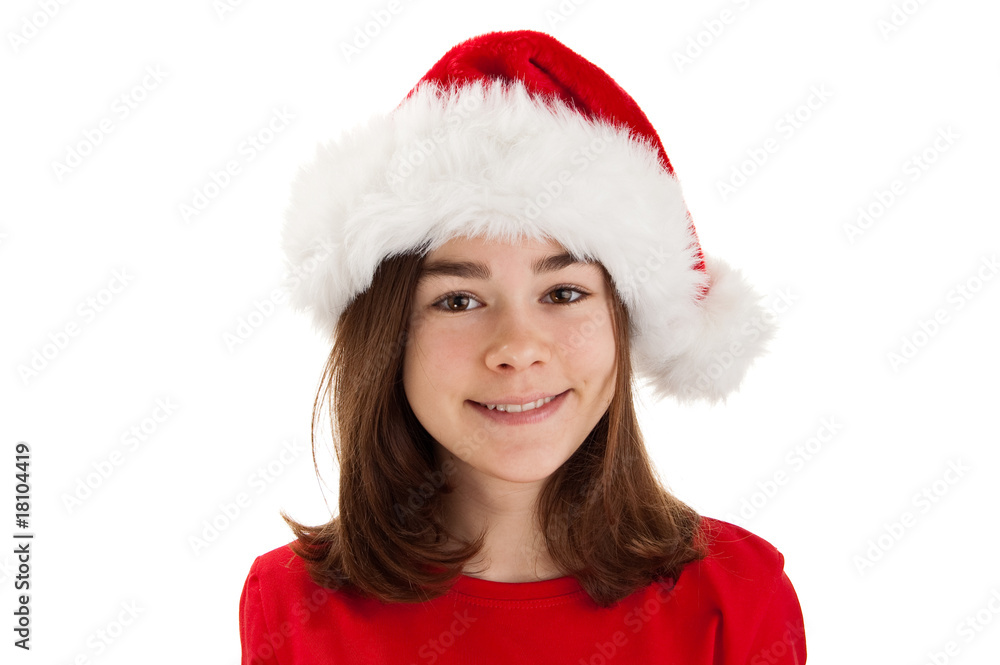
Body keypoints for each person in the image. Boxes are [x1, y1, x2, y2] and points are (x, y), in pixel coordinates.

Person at [239, 29, 806, 664]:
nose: (517, 348)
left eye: (563, 293)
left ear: (622, 322)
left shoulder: (737, 598)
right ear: (388, 335)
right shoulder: (293, 606)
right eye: (459, 300)